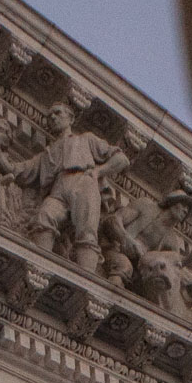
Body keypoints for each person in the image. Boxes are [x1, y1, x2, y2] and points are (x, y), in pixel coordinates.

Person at [20, 103, 128, 268]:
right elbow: (21, 170)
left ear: (70, 118)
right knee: (44, 216)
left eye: (57, 113)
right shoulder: (47, 153)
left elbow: (122, 159)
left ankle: (87, 279)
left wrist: (98, 172)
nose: (53, 118)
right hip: (58, 189)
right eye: (49, 117)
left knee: (87, 232)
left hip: (83, 181)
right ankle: (39, 268)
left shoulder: (86, 139)